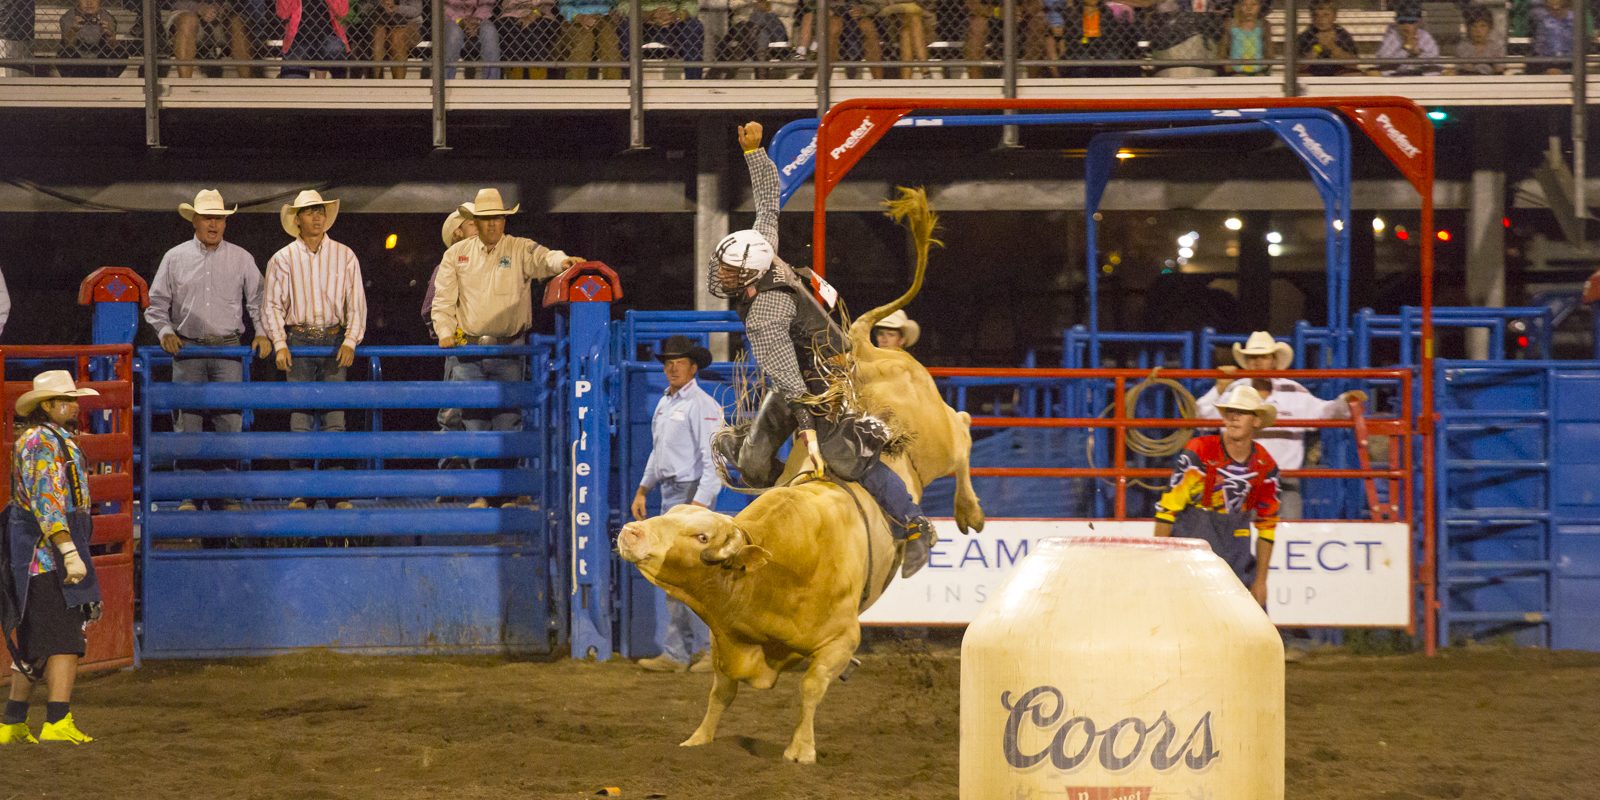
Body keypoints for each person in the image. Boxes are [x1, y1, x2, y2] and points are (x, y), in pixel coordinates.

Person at [711, 121, 936, 576]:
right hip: (805, 365)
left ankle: (914, 526)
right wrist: (755, 154)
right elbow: (769, 205)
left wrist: (807, 427)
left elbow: (790, 383)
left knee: (845, 456)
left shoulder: (766, 313)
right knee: (753, 459)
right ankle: (794, 515)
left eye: (732, 273)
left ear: (750, 277)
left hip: (823, 378)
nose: (724, 276)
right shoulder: (765, 250)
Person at [430, 188, 585, 508]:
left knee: (507, 420)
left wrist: (563, 261)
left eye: (497, 218)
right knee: (474, 422)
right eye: (486, 219)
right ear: (477, 220)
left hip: (509, 348)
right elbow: (442, 300)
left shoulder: (518, 248)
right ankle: (489, 493)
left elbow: (544, 257)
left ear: (504, 220)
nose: (492, 224)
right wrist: (445, 332)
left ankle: (502, 492)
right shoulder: (456, 254)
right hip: (469, 349)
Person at [146, 189, 273, 513]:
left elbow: (258, 301)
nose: (213, 224)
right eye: (208, 218)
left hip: (229, 348)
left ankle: (225, 494)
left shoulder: (241, 258)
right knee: (187, 424)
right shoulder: (175, 258)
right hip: (187, 348)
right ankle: (190, 494)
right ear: (195, 220)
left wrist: (261, 333)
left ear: (225, 223)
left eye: (218, 218)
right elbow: (156, 304)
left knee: (228, 423)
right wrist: (165, 332)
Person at [0, 371, 103, 745]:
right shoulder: (42, 442)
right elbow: (47, 502)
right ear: (47, 406)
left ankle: (12, 721)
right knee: (63, 640)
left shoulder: (52, 440)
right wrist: (69, 552)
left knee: (36, 642)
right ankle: (57, 719)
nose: (75, 406)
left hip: (42, 554)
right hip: (46, 556)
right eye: (68, 399)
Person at [263, 189, 368, 511]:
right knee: (301, 419)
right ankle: (303, 491)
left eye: (320, 211)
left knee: (334, 418)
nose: (317, 217)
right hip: (299, 341)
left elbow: (356, 302)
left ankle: (335, 491)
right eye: (310, 212)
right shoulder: (282, 258)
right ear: (298, 219)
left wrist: (351, 340)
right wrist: (280, 343)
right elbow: (272, 305)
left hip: (334, 341)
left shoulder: (345, 254)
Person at [1195, 330, 1367, 521]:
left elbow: (1323, 412)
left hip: (1283, 481)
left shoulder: (1292, 390)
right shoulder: (1233, 389)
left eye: (1263, 356)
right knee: (1240, 538)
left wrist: (1345, 402)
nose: (1257, 362)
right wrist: (1217, 390)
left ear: (1273, 361)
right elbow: (1201, 415)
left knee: (1285, 531)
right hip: (1239, 480)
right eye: (1252, 357)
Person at [630, 336, 723, 674]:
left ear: (692, 367)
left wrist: (697, 508)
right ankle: (678, 652)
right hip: (672, 496)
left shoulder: (702, 405)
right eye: (668, 361)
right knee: (675, 578)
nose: (672, 366)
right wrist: (643, 489)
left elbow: (713, 463)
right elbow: (659, 452)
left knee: (695, 579)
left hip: (689, 496)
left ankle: (708, 652)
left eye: (679, 361)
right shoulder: (666, 403)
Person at [1154, 383, 1279, 609]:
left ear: (1256, 421)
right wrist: (1159, 564)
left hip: (1236, 556)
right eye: (1230, 412)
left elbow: (1267, 525)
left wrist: (1261, 581)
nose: (1233, 418)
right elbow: (1167, 510)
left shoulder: (1266, 465)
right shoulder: (1198, 452)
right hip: (1190, 553)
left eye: (1241, 413)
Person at [424, 208, 477, 480]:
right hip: (461, 352)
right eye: (472, 223)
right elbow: (430, 311)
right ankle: (451, 482)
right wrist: (451, 334)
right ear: (458, 231)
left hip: (491, 349)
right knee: (454, 415)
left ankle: (481, 485)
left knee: (488, 416)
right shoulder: (446, 265)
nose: (479, 227)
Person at [166, 0, 255, 78]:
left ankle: (247, 81)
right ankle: (184, 84)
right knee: (188, 21)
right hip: (185, 11)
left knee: (237, 22)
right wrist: (199, 8)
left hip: (221, 17)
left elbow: (238, 3)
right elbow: (171, 3)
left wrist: (220, 6)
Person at [621, 0, 706, 78]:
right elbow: (624, 5)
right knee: (626, 26)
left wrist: (675, 16)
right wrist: (649, 15)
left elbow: (691, 4)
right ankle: (629, 81)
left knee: (694, 26)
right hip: (642, 22)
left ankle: (693, 81)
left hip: (674, 23)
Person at [276, 0, 351, 77]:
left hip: (328, 38)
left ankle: (335, 77)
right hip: (298, 40)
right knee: (291, 81)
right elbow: (282, 14)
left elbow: (342, 12)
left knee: (335, 48)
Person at [57, 0, 131, 77]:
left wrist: (110, 36)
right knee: (63, 54)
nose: (89, 2)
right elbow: (68, 46)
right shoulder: (68, 17)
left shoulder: (107, 17)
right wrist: (73, 31)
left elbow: (112, 47)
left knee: (120, 53)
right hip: (78, 62)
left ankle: (106, 82)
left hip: (100, 63)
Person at [499, 0, 564, 78]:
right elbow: (504, 6)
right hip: (511, 15)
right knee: (513, 32)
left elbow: (549, 5)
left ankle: (537, 78)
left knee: (534, 31)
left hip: (542, 15)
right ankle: (515, 78)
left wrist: (535, 13)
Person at [1295, 0, 1360, 76]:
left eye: (1326, 15)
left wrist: (1331, 46)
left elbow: (1353, 64)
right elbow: (1298, 66)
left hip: (1338, 70)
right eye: (1316, 15)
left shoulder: (1342, 34)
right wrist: (1318, 46)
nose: (1320, 19)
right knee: (1300, 75)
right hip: (1313, 70)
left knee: (1354, 74)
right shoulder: (1307, 35)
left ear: (1334, 16)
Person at [561, 0, 622, 79]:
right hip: (576, 17)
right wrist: (578, 17)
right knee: (585, 41)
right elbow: (564, 6)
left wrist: (616, 11)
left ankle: (612, 83)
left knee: (609, 44)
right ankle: (574, 83)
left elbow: (615, 4)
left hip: (604, 16)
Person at [443, 0, 503, 78]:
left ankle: (491, 82)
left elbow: (486, 5)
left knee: (489, 30)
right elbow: (443, 7)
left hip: (477, 20)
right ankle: (446, 80)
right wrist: (459, 21)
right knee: (454, 34)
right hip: (450, 19)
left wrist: (477, 20)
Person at [1374, 4, 1439, 76]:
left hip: (1420, 75)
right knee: (1377, 72)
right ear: (1397, 23)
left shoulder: (1425, 36)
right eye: (1402, 22)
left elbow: (1434, 61)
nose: (1406, 26)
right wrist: (1405, 49)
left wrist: (1418, 54)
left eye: (1411, 22)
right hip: (1396, 76)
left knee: (1435, 71)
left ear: (1419, 22)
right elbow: (1383, 62)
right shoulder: (1392, 36)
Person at [1216, 0, 1272, 75]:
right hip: (1235, 71)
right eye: (1244, 5)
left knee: (1259, 77)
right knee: (1239, 77)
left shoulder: (1264, 26)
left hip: (1258, 70)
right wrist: (1227, 66)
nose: (1249, 8)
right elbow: (1222, 51)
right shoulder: (1231, 26)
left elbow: (1269, 51)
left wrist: (1265, 65)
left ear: (1260, 6)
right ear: (1239, 6)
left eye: (1254, 4)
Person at [370, 0, 424, 78]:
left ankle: (398, 85)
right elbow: (368, 6)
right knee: (378, 36)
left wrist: (396, 8)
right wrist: (382, 3)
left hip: (410, 22)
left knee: (397, 37)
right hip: (383, 21)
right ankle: (376, 82)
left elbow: (416, 10)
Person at [1449, 6, 1505, 76]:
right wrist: (1489, 66)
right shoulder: (1463, 47)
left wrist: (1474, 66)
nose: (1478, 30)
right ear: (1468, 28)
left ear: (1490, 28)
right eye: (1474, 26)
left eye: (1483, 26)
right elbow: (1467, 70)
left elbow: (1499, 69)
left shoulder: (1496, 47)